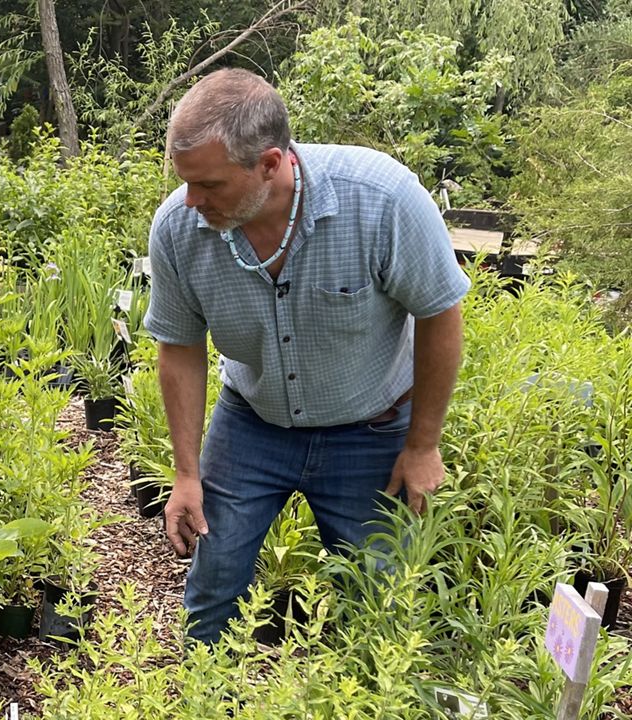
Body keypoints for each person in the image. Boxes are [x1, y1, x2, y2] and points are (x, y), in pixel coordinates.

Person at [144, 68, 468, 645]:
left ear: (271, 164)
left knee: (378, 592)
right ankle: (205, 696)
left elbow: (440, 314)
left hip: (369, 429)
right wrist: (187, 474)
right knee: (214, 579)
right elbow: (181, 349)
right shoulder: (177, 228)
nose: (192, 201)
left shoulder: (382, 200)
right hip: (252, 423)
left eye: (210, 185)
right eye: (185, 182)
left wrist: (422, 446)